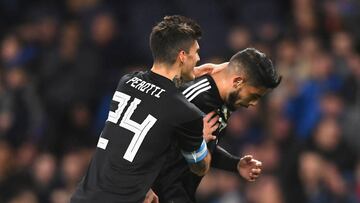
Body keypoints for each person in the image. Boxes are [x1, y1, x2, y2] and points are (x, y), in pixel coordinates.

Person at [71, 15, 213, 203]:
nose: (198, 58)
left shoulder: (127, 81)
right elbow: (199, 167)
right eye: (195, 52)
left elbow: (153, 107)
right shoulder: (187, 113)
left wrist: (142, 187)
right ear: (181, 56)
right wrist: (200, 140)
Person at [150, 48, 282, 203]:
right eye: (253, 95)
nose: (253, 103)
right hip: (157, 194)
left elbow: (203, 146)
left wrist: (235, 164)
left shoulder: (224, 102)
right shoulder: (194, 98)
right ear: (238, 82)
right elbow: (146, 138)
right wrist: (144, 189)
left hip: (179, 192)